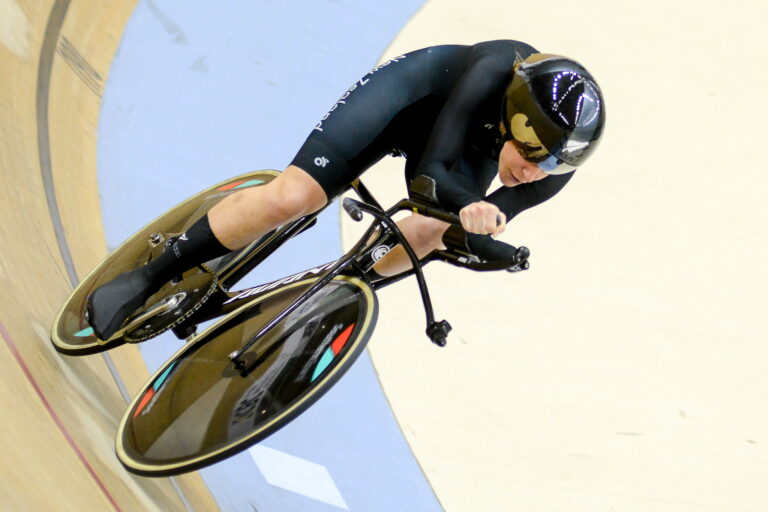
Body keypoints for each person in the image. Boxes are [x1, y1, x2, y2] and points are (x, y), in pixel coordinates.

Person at [86, 39, 605, 340]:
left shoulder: (553, 167)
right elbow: (432, 173)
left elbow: (475, 224)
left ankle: (334, 292)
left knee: (426, 231)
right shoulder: (494, 70)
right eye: (535, 156)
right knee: (292, 198)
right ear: (518, 120)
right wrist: (471, 205)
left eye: (555, 166)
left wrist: (489, 240)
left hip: (465, 152)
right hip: (409, 100)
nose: (538, 173)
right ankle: (150, 275)